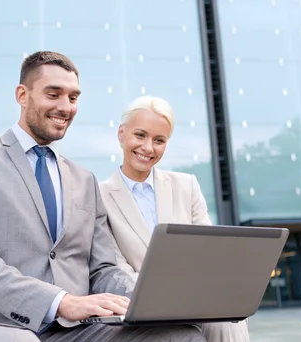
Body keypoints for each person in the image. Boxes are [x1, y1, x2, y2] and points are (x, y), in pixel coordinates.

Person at [0, 51, 206, 342]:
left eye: (73, 98)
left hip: (74, 330)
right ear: (22, 95)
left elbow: (103, 268)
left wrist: (152, 298)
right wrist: (61, 301)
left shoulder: (84, 180)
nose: (66, 107)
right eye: (54, 94)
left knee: (180, 335)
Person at [99, 96, 251, 342]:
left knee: (229, 322)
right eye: (140, 135)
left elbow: (209, 250)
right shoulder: (99, 197)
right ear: (121, 134)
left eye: (159, 140)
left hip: (197, 296)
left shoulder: (186, 185)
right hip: (142, 303)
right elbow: (115, 267)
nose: (148, 148)